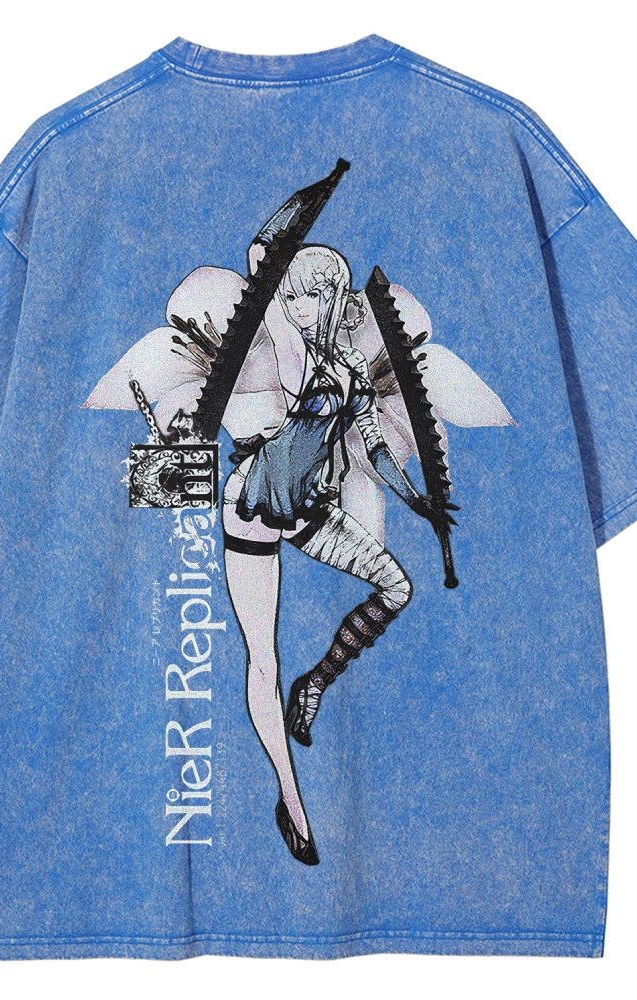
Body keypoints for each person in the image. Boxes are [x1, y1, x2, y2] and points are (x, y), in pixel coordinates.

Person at [220, 244, 453, 865]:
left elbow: (374, 447)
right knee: (262, 660)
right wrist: (273, 265)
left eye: (311, 296)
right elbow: (266, 275)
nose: (299, 307)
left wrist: (419, 502)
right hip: (253, 502)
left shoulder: (349, 368)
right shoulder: (290, 352)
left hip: (309, 509)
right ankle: (291, 801)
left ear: (334, 297)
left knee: (397, 587)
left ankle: (316, 681)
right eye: (291, 296)